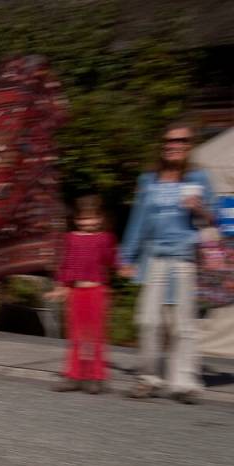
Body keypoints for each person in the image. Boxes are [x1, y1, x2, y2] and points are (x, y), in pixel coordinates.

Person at [119, 121, 217, 404]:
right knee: (148, 320)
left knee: (183, 324)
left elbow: (217, 221)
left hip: (186, 258)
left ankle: (183, 383)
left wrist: (200, 209)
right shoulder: (149, 179)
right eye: (169, 142)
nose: (174, 146)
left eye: (181, 141)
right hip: (155, 258)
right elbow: (138, 220)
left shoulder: (199, 178)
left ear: (190, 146)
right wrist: (128, 255)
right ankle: (148, 377)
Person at [46, 195, 116, 394]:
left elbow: (111, 260)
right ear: (76, 219)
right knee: (76, 336)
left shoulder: (105, 238)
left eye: (93, 218)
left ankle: (96, 376)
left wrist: (124, 266)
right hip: (77, 292)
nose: (89, 222)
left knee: (95, 336)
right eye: (84, 218)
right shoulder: (71, 239)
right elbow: (66, 265)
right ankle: (75, 375)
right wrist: (61, 287)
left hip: (97, 291)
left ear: (101, 218)